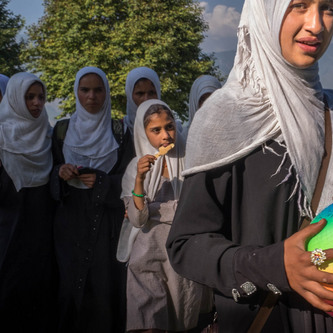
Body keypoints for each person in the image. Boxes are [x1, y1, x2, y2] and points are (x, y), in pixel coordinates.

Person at [166, 1, 333, 332]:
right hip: (265, 319)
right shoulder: (222, 120)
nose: (316, 24)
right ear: (265, 11)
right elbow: (186, 245)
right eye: (298, 6)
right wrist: (274, 266)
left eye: (327, 7)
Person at [51, 66, 134, 332]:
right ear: (76, 92)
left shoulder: (119, 132)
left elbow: (130, 177)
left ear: (107, 93)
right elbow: (49, 174)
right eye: (84, 90)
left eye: (98, 90)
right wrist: (60, 172)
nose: (91, 96)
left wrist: (102, 182)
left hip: (106, 223)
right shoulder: (61, 131)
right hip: (69, 223)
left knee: (104, 288)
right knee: (69, 287)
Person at [119, 99, 213, 332]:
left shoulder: (192, 160)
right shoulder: (135, 167)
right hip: (148, 254)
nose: (165, 136)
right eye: (156, 130)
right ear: (143, 133)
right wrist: (140, 179)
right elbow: (139, 220)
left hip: (184, 253)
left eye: (169, 127)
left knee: (184, 318)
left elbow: (201, 208)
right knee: (148, 320)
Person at [0, 72, 57, 332]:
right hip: (7, 241)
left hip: (42, 244)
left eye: (40, 97)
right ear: (14, 99)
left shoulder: (49, 136)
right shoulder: (2, 137)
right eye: (29, 97)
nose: (36, 103)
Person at [124, 67, 161, 137]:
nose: (146, 99)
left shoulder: (171, 130)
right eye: (140, 94)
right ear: (130, 96)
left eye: (151, 93)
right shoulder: (119, 132)